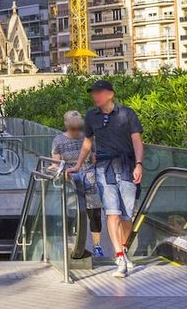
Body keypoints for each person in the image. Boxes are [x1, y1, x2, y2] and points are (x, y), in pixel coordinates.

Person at [73, 80, 144, 279]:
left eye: (100, 92)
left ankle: (124, 249)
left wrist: (139, 164)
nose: (96, 96)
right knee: (112, 213)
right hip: (104, 169)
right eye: (94, 93)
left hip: (127, 167)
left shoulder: (127, 114)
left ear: (110, 94)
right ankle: (119, 257)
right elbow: (87, 142)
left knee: (126, 216)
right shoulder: (91, 116)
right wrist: (78, 165)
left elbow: (137, 141)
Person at [53, 110, 104, 258]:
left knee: (94, 212)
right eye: (73, 127)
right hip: (70, 180)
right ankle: (73, 243)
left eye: (78, 128)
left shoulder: (87, 138)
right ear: (66, 125)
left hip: (89, 178)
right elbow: (56, 163)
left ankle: (97, 245)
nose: (76, 131)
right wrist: (60, 171)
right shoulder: (58, 141)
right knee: (74, 213)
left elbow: (93, 157)